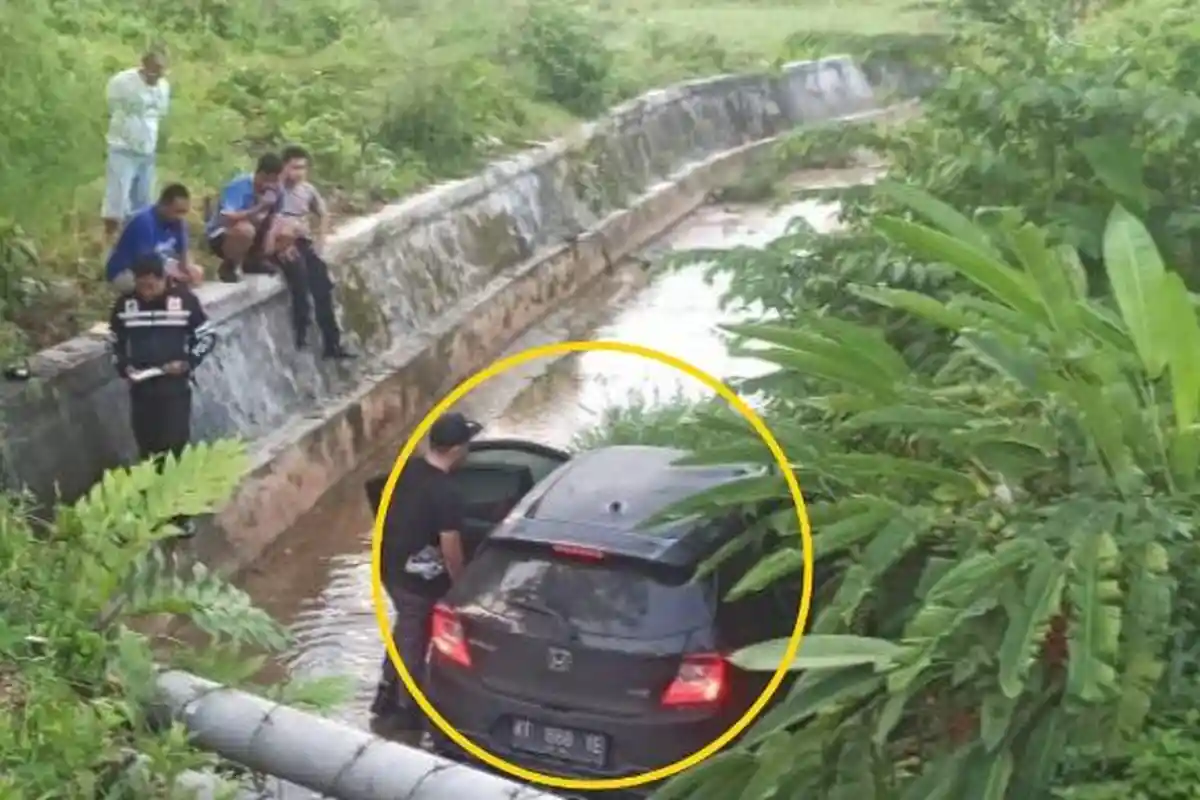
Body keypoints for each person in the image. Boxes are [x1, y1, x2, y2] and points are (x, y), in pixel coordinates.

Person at [371, 412, 479, 731]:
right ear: (458, 450)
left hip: (389, 570)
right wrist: (460, 589)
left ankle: (385, 696)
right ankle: (408, 710)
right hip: (418, 581)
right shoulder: (446, 493)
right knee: (415, 639)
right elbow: (451, 548)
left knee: (406, 629)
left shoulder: (405, 472)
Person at [107, 255, 216, 533]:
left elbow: (207, 336)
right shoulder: (125, 306)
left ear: (163, 279)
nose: (147, 292)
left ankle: (179, 513)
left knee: (174, 447)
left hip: (174, 389)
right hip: (142, 389)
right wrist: (124, 366)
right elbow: (113, 342)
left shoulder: (185, 302)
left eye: (151, 287)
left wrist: (187, 362)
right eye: (142, 287)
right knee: (148, 449)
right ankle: (151, 512)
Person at [277, 146, 354, 360]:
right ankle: (301, 329)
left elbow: (323, 213)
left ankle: (332, 344)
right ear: (284, 167)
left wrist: (320, 240)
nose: (299, 172)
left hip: (302, 242)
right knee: (299, 278)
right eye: (294, 167)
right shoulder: (275, 190)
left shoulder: (307, 190)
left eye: (303, 167)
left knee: (322, 284)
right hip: (279, 243)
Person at [103, 48, 170, 239]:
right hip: (123, 146)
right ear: (145, 65)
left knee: (144, 198)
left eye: (162, 69)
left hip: (147, 148)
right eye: (155, 68)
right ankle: (109, 237)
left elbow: (160, 113)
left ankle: (137, 238)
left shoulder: (163, 86)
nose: (158, 73)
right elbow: (112, 105)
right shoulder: (123, 81)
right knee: (117, 196)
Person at [205, 153, 287, 284]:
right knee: (245, 230)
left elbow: (279, 214)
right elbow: (229, 217)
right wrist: (260, 207)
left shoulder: (277, 189)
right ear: (264, 176)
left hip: (258, 233)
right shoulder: (239, 186)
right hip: (225, 233)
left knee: (289, 230)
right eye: (274, 180)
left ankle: (255, 261)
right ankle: (228, 265)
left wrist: (272, 234)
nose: (277, 184)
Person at [106, 183, 203, 293]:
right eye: (177, 211)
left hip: (158, 264)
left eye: (184, 212)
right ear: (163, 205)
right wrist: (172, 277)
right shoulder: (144, 222)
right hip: (127, 271)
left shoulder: (178, 223)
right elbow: (145, 265)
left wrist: (189, 270)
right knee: (156, 284)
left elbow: (184, 255)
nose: (180, 216)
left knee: (190, 276)